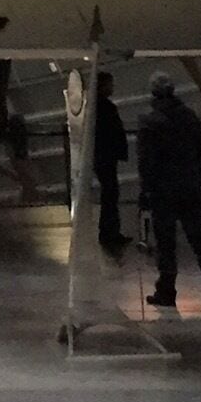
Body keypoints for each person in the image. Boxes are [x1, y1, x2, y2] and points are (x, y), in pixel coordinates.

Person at [137, 72, 201, 310]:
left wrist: (146, 188)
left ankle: (167, 289)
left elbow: (147, 161)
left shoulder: (151, 122)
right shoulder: (189, 118)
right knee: (199, 238)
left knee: (166, 241)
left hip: (162, 189)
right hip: (188, 186)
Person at [93, 70, 130, 260]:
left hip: (103, 156)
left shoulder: (97, 107)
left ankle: (110, 232)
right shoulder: (105, 107)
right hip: (106, 156)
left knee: (110, 193)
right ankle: (109, 233)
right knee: (110, 193)